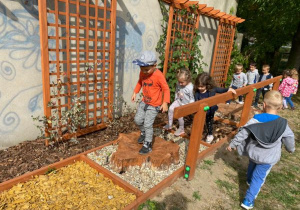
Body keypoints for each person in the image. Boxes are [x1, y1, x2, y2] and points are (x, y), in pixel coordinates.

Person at [226, 90, 295, 210]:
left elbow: (243, 133)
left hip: (254, 153)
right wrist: (291, 149)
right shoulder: (283, 124)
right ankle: (248, 200)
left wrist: (233, 144)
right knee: (258, 178)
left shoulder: (255, 120)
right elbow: (289, 137)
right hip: (268, 158)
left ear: (263, 105)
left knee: (252, 165)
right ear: (279, 107)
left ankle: (248, 180)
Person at [131, 51, 170, 154]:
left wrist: (165, 102)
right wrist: (135, 92)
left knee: (148, 124)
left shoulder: (158, 75)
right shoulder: (143, 72)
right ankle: (144, 133)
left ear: (155, 65)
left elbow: (166, 89)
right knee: (138, 120)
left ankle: (147, 144)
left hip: (154, 104)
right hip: (145, 101)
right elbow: (140, 82)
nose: (144, 71)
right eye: (141, 69)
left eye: (147, 69)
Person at [194, 72, 236, 143]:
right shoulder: (197, 92)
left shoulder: (212, 90)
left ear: (207, 85)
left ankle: (210, 134)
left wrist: (229, 89)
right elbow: (195, 101)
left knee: (209, 122)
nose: (200, 88)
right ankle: (199, 133)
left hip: (210, 111)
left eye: (202, 86)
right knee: (199, 122)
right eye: (198, 86)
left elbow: (221, 90)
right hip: (201, 111)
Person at [163, 68, 194, 136]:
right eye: (179, 82)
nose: (180, 83)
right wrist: (176, 98)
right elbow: (177, 91)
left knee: (180, 115)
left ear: (188, 80)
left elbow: (192, 98)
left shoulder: (190, 88)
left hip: (185, 104)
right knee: (171, 108)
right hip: (178, 101)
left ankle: (181, 129)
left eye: (182, 82)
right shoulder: (178, 83)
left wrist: (190, 106)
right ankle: (170, 124)